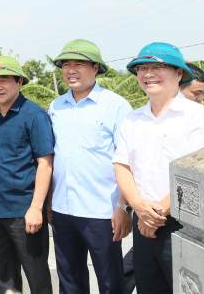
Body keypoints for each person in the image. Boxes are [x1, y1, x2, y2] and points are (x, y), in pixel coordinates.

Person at [113, 42, 204, 294]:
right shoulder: (133, 118)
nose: (147, 74)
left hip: (182, 226)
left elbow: (197, 177)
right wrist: (135, 207)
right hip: (143, 222)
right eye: (141, 68)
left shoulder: (200, 118)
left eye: (157, 67)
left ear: (179, 73)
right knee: (149, 288)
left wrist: (155, 215)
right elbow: (122, 166)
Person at [48, 40, 133, 294]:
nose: (71, 70)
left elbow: (129, 161)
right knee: (70, 281)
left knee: (110, 281)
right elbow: (54, 158)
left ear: (95, 68)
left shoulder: (116, 105)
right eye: (66, 65)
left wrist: (124, 207)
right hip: (63, 209)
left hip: (103, 210)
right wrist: (50, 201)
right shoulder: (56, 106)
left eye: (79, 64)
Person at [0, 55, 54, 294]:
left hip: (24, 212)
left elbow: (45, 163)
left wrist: (36, 208)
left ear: (19, 82)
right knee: (5, 278)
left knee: (37, 276)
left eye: (4, 80)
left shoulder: (34, 115)